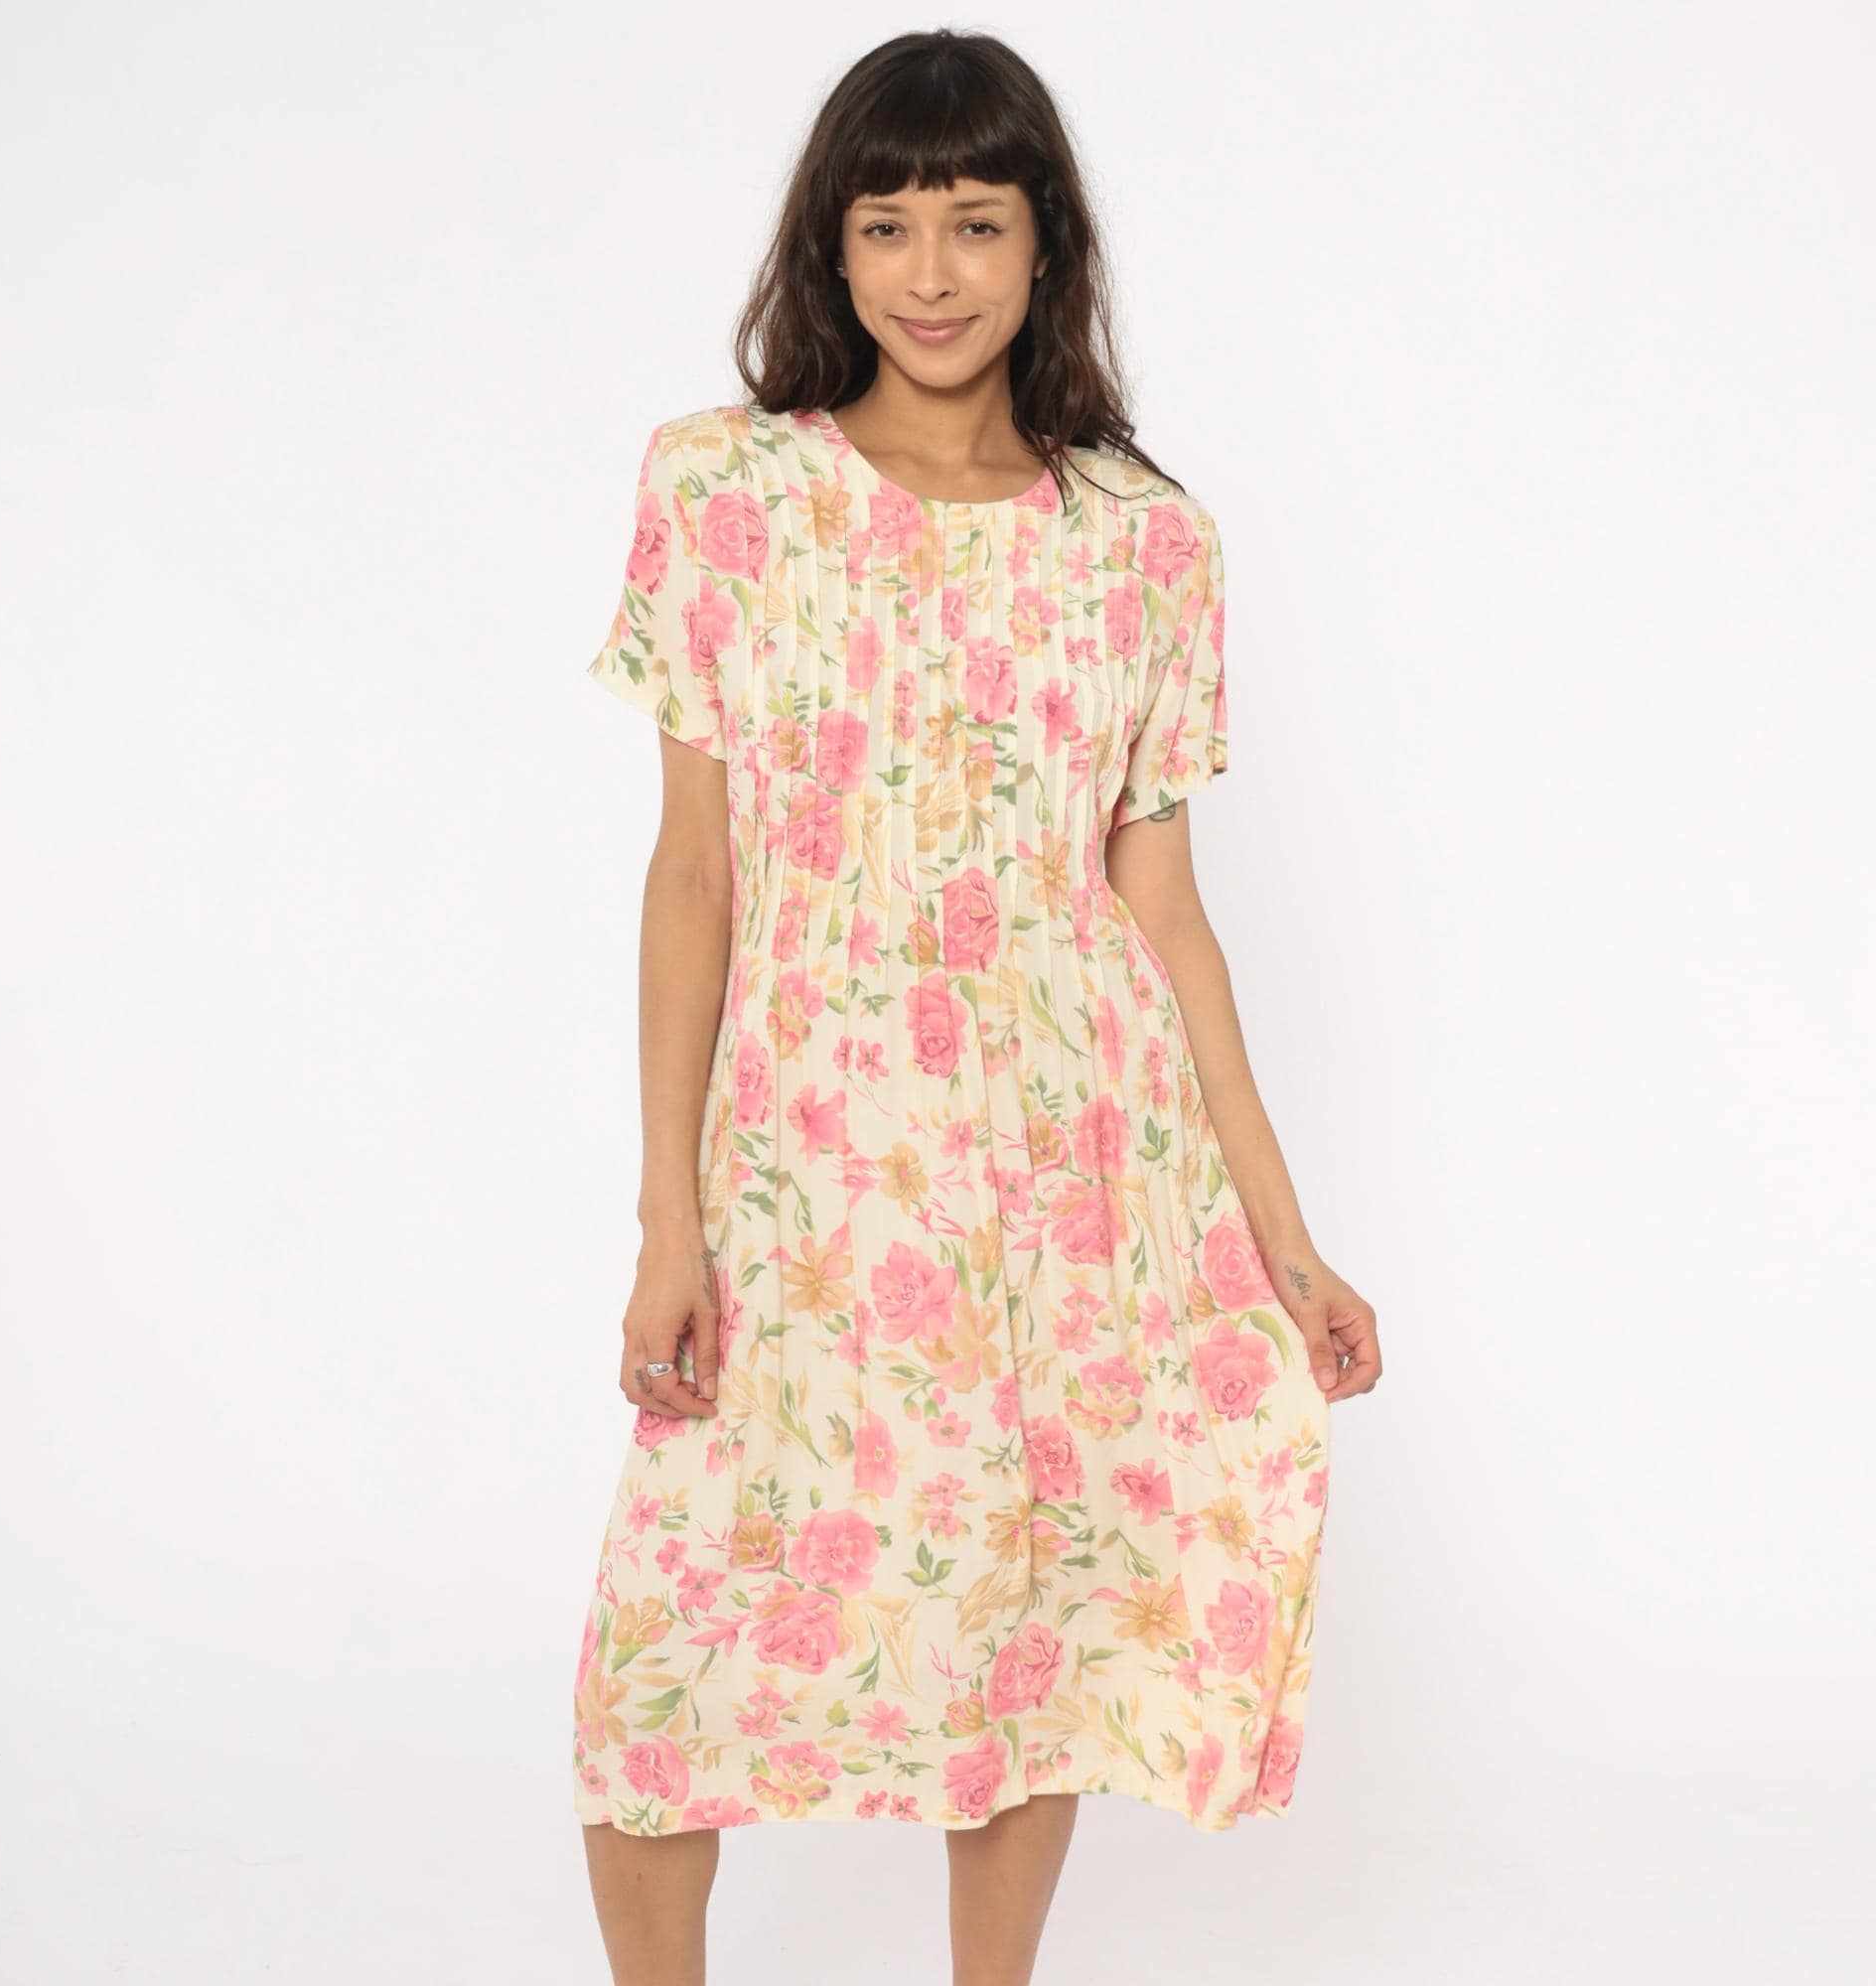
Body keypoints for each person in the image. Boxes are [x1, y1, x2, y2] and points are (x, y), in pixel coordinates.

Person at [571, 27, 1382, 1986]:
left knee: (1025, 1645)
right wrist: (671, 1221)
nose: (930, 273)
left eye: (975, 223)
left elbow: (1162, 912)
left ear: (1045, 245)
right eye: (887, 225)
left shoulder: (1144, 540)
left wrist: (1284, 1243)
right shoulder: (726, 491)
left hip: (1072, 1182)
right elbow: (694, 878)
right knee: (664, 1657)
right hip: (810, 1180)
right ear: (830, 248)